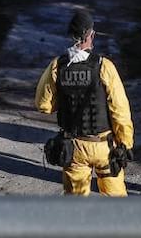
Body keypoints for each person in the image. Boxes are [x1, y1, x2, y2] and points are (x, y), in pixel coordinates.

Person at [35, 10, 134, 196]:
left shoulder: (57, 65)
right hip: (104, 147)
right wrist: (126, 143)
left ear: (70, 35)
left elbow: (43, 105)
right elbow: (120, 110)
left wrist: (64, 100)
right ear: (91, 34)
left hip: (74, 147)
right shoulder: (104, 66)